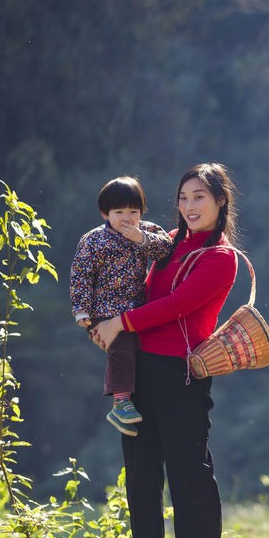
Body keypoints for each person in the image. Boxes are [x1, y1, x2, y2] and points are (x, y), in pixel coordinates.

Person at [93, 162, 239, 538]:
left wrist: (119, 322)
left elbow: (177, 305)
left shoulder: (221, 257)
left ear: (220, 202)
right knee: (140, 467)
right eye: (183, 197)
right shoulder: (166, 242)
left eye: (200, 197)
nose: (189, 206)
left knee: (188, 465)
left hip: (182, 373)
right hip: (138, 367)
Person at [70, 176, 172, 435]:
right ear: (105, 213)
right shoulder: (94, 241)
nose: (127, 218)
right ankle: (120, 402)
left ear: (142, 212)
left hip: (134, 307)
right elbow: (81, 275)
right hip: (104, 310)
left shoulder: (146, 232)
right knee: (123, 346)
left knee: (139, 351)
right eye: (119, 212)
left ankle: (138, 402)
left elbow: (167, 251)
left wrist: (141, 239)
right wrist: (81, 310)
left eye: (133, 212)